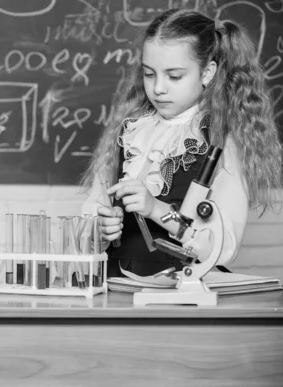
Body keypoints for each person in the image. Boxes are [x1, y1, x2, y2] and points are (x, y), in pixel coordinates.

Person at [80, 9, 282, 277]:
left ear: (208, 73)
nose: (158, 88)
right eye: (149, 74)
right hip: (115, 286)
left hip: (179, 294)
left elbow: (219, 248)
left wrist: (157, 209)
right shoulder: (129, 131)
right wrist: (99, 231)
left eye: (174, 76)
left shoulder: (222, 141)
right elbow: (87, 224)